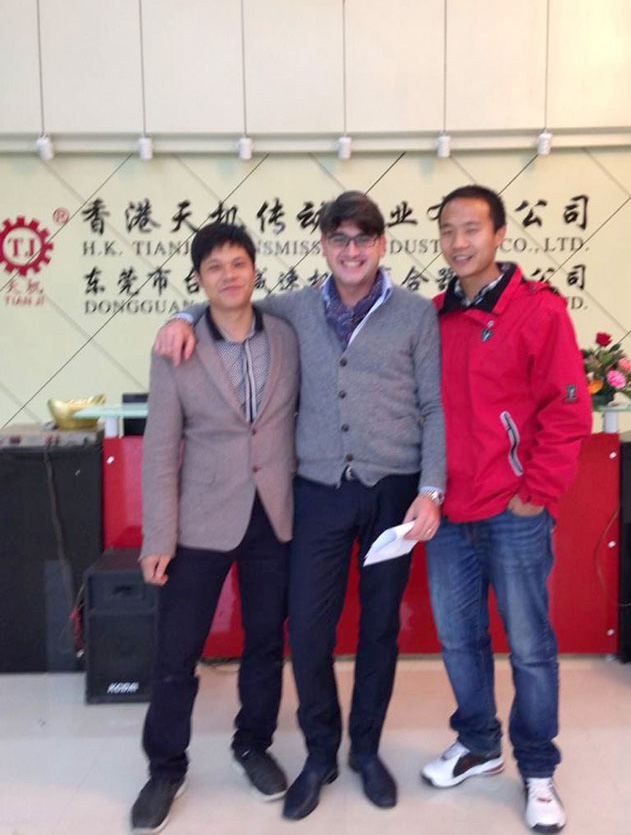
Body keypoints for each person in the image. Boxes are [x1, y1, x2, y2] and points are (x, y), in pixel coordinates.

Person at [155, 191, 446, 820]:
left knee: (379, 629)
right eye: (340, 239)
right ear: (323, 246)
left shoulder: (416, 314)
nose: (351, 250)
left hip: (393, 493)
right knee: (309, 632)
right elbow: (228, 305)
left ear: (381, 245)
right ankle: (320, 753)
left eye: (363, 239)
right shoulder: (292, 309)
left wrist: (431, 489)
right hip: (315, 492)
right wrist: (180, 315)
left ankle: (365, 750)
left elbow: (434, 405)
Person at [421, 185, 591, 834]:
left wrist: (535, 492)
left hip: (513, 512)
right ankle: (478, 743)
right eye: (447, 230)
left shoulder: (538, 311)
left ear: (498, 234)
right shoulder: (433, 316)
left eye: (471, 228)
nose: (458, 241)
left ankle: (539, 770)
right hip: (449, 513)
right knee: (459, 638)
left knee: (529, 646)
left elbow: (567, 410)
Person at [131, 223, 300, 834]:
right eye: (214, 267)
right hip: (199, 520)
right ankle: (165, 767)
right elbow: (160, 449)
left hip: (273, 514)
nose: (229, 275)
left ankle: (252, 743)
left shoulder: (286, 333)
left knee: (265, 643)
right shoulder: (177, 347)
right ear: (199, 279)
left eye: (238, 263)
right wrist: (158, 537)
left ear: (255, 268)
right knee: (177, 652)